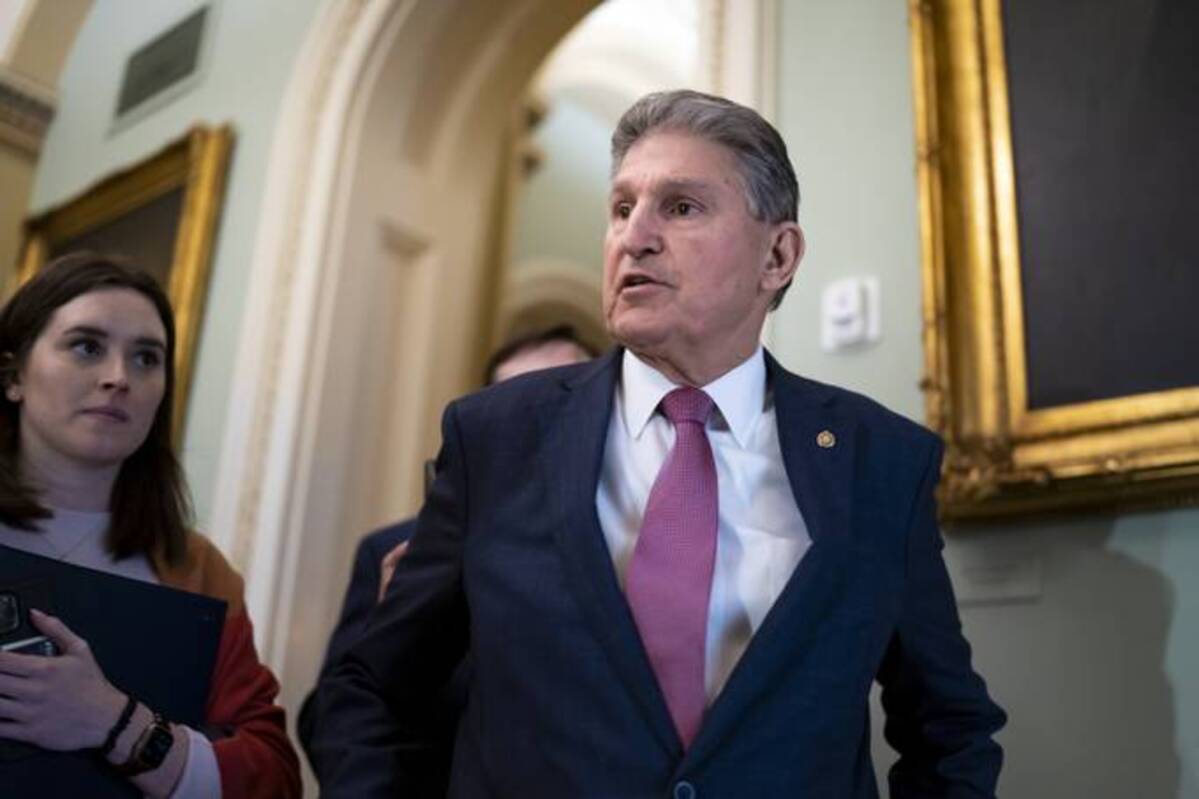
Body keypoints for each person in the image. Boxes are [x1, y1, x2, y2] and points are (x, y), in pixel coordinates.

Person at [311, 90, 1005, 798]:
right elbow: (368, 688)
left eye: (680, 207)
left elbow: (946, 729)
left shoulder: (878, 461)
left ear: (778, 254)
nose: (633, 236)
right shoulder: (494, 435)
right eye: (621, 208)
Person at [0, 253, 300, 797]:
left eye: (145, 358)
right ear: (13, 374)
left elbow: (275, 778)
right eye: (87, 346)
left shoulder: (197, 569)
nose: (119, 378)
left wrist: (116, 723)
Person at [296, 325, 596, 769]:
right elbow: (332, 721)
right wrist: (399, 639)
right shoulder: (395, 550)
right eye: (521, 402)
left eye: (561, 397)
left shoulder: (631, 547)